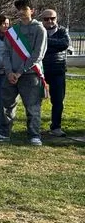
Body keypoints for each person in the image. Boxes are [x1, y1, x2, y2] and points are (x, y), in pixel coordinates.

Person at [0, 0, 47, 145]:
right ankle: (3, 133)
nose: (21, 12)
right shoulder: (13, 31)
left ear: (32, 11)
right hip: (11, 75)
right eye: (19, 9)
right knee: (6, 104)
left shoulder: (39, 29)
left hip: (30, 74)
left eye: (24, 9)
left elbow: (37, 55)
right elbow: (6, 53)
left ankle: (34, 135)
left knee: (32, 106)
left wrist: (20, 71)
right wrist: (9, 72)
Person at [41, 8, 70, 137]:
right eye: (46, 19)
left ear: (56, 19)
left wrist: (45, 42)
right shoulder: (38, 31)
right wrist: (53, 45)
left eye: (52, 18)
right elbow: (34, 46)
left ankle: (56, 127)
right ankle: (34, 127)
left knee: (58, 100)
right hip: (40, 71)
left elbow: (64, 44)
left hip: (58, 71)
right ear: (42, 20)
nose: (50, 21)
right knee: (35, 100)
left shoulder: (63, 31)